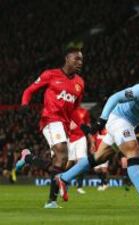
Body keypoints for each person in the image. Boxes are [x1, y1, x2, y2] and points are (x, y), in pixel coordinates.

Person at [56, 77, 139, 208]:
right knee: (133, 151)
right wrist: (101, 120)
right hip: (118, 119)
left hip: (127, 124)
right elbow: (115, 97)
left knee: (98, 158)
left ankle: (64, 178)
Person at [17, 47, 85, 208]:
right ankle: (52, 197)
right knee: (62, 153)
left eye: (81, 59)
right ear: (67, 59)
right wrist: (25, 104)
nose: (79, 62)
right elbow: (29, 90)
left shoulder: (80, 83)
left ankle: (51, 200)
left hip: (65, 124)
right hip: (50, 119)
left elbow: (75, 108)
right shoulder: (50, 74)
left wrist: (81, 126)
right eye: (76, 58)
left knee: (60, 163)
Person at [67, 107, 93, 194]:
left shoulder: (84, 111)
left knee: (81, 162)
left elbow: (88, 126)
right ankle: (64, 183)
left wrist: (92, 142)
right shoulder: (66, 109)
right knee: (68, 164)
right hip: (69, 139)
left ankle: (79, 186)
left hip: (80, 138)